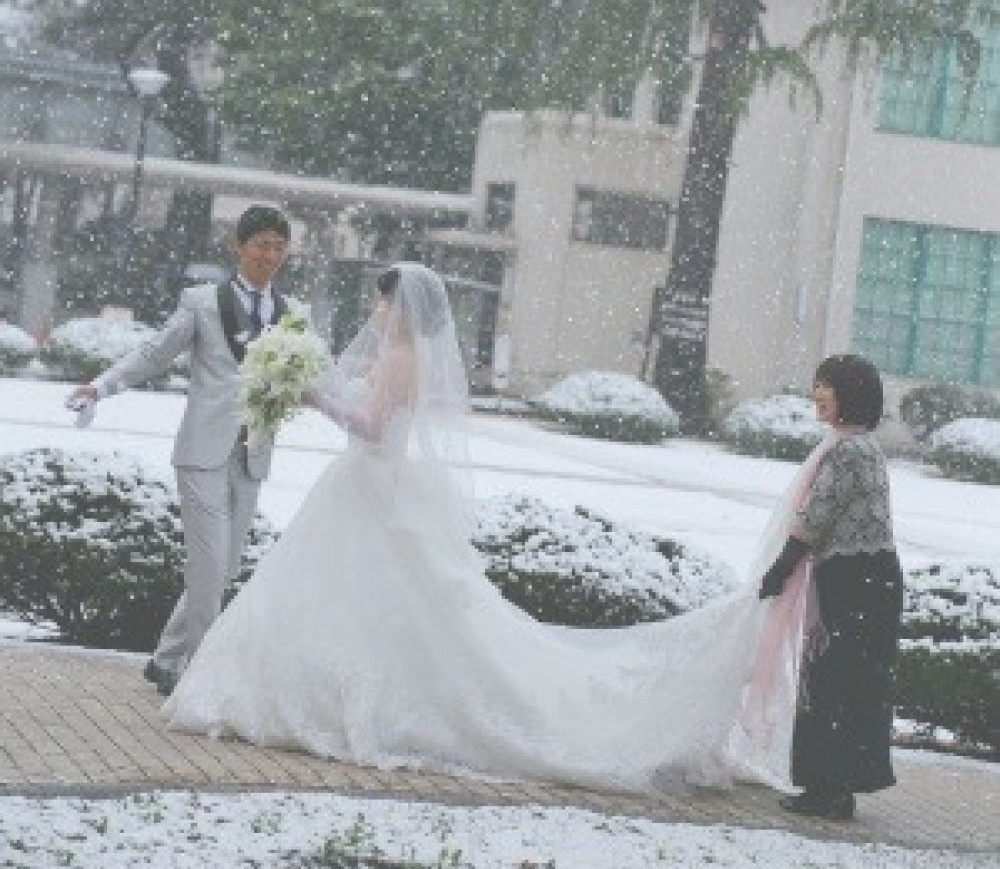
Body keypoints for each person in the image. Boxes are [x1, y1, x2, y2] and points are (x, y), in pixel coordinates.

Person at [163, 261, 799, 795]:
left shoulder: (404, 357)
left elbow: (374, 427)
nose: (376, 311)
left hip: (374, 481)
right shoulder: (399, 351)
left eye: (383, 301)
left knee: (369, 600)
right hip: (371, 486)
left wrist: (313, 396)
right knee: (369, 603)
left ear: (400, 306)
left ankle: (341, 702)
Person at [70, 204, 294, 697]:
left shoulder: (290, 315)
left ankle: (165, 660)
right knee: (209, 567)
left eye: (279, 247)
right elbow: (154, 353)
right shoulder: (203, 302)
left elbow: (308, 380)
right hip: (201, 451)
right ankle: (201, 676)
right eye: (261, 244)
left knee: (225, 569)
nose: (270, 255)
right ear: (238, 246)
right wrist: (102, 387)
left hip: (252, 455)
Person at [757, 353, 903, 821]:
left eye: (827, 385)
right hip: (863, 576)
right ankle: (832, 785)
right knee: (847, 682)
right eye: (817, 383)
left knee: (834, 682)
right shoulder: (853, 445)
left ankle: (829, 789)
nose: (816, 393)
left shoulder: (850, 450)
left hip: (858, 578)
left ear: (850, 395)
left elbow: (818, 514)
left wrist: (782, 565)